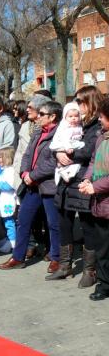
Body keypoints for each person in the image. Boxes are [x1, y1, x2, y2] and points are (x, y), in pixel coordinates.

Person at [0, 101, 63, 273]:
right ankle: (18, 257)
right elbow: (27, 154)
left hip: (49, 185)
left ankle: (56, 258)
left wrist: (32, 175)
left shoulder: (60, 134)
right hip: (32, 185)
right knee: (23, 220)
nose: (39, 116)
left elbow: (54, 162)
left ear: (52, 117)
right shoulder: (37, 131)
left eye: (42, 114)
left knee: (53, 223)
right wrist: (24, 173)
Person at [51, 85, 103, 286]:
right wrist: (58, 152)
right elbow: (54, 144)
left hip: (83, 180)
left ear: (90, 102)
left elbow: (91, 151)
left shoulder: (96, 125)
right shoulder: (72, 122)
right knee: (64, 222)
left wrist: (68, 152)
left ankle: (90, 271)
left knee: (87, 226)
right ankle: (65, 265)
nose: (78, 106)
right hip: (66, 181)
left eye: (81, 102)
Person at [78, 97, 109, 301]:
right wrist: (87, 179)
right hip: (100, 202)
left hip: (102, 195)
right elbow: (92, 161)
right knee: (103, 247)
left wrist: (94, 187)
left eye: (103, 116)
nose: (99, 119)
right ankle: (105, 284)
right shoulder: (101, 137)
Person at [49, 102, 85, 184]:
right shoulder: (65, 126)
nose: (73, 118)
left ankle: (67, 173)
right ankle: (61, 171)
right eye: (70, 116)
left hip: (74, 145)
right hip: (64, 145)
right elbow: (64, 138)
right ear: (65, 117)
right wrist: (68, 147)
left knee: (77, 164)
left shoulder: (79, 125)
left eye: (76, 116)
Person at [0, 147, 17, 253]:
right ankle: (8, 239)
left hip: (8, 200)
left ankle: (12, 242)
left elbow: (9, 186)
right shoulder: (5, 169)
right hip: (3, 200)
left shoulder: (11, 171)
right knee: (5, 222)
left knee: (9, 222)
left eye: (0, 157)